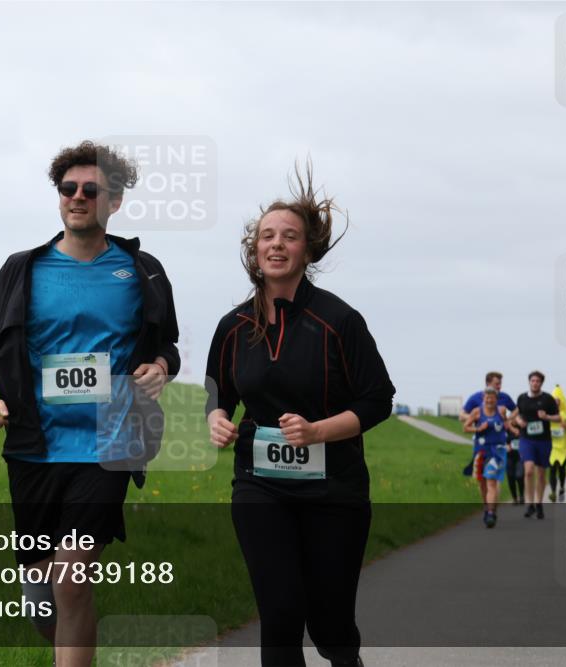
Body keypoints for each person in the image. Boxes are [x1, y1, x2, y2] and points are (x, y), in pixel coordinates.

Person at [0, 140, 180, 666]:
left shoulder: (141, 269)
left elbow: (164, 344)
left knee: (73, 578)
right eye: (69, 189)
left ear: (115, 202)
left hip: (109, 444)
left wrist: (160, 368)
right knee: (44, 599)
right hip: (34, 448)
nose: (78, 197)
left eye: (91, 189)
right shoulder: (22, 269)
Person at [205, 163, 394, 667]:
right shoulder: (233, 325)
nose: (276, 244)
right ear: (254, 248)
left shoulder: (338, 321)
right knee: (281, 615)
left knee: (330, 627)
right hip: (260, 486)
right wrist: (216, 419)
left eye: (289, 237)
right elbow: (216, 392)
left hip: (335, 492)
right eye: (267, 235)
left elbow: (378, 399)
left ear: (307, 250)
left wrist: (317, 432)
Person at [512, 371, 559, 519]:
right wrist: (519, 421)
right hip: (527, 440)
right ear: (529, 382)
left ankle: (538, 504)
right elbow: (515, 415)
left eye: (538, 381)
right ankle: (529, 504)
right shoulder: (522, 398)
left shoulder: (548, 399)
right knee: (529, 470)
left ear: (541, 383)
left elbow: (558, 417)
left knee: (540, 473)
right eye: (532, 381)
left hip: (544, 440)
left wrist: (547, 417)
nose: (535, 383)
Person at [463, 388, 507, 527]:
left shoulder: (501, 411)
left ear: (496, 399)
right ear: (483, 398)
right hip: (481, 451)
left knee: (491, 481)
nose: (489, 400)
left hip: (497, 451)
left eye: (492, 398)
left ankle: (490, 513)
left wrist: (513, 430)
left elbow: (506, 425)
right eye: (487, 398)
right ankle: (487, 507)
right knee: (482, 483)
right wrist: (478, 429)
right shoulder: (477, 412)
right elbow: (465, 427)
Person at [548, 384, 566, 503]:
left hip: (563, 446)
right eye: (554, 400)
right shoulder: (548, 415)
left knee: (561, 469)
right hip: (552, 446)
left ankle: (561, 487)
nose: (556, 402)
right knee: (552, 469)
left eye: (558, 400)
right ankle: (552, 491)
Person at [506, 420, 525, 504]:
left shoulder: (522, 428)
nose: (513, 420)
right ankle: (514, 498)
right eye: (511, 418)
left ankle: (521, 495)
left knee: (519, 476)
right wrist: (505, 446)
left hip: (520, 457)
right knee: (510, 477)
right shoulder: (506, 429)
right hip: (509, 456)